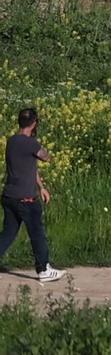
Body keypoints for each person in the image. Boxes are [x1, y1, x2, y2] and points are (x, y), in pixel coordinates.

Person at [0, 108, 63, 282]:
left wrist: (41, 187)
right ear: (34, 123)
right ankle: (44, 269)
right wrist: (36, 142)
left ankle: (44, 268)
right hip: (26, 199)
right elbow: (46, 157)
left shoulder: (11, 141)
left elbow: (29, 167)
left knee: (8, 234)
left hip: (9, 197)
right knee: (37, 233)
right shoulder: (31, 144)